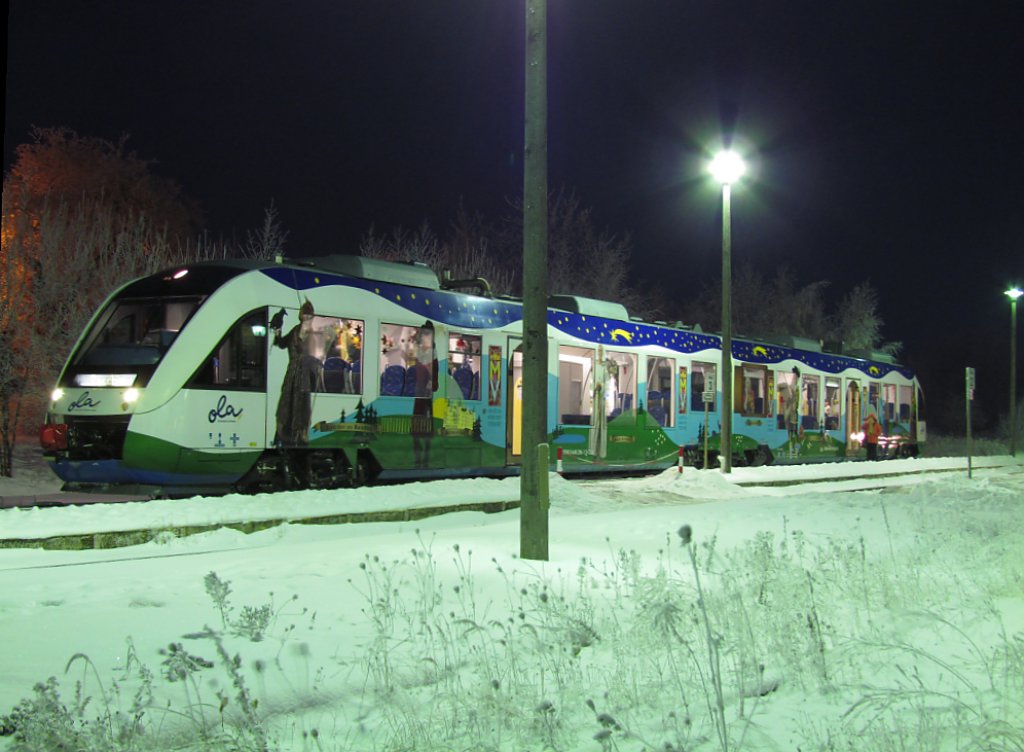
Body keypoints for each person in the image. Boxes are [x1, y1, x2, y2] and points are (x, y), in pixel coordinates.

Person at [272, 300, 316, 447]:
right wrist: (277, 331)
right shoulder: (295, 330)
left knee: (301, 406)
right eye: (305, 314)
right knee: (286, 404)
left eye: (309, 315)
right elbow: (281, 343)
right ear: (302, 316)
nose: (307, 317)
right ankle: (282, 435)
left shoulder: (313, 335)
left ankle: (300, 435)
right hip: (292, 373)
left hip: (304, 376)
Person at [411, 321, 439, 468]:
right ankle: (420, 459)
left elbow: (434, 381)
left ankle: (424, 459)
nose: (424, 336)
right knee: (418, 429)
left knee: (424, 430)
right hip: (420, 394)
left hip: (425, 396)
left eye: (427, 334)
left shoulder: (431, 353)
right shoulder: (421, 351)